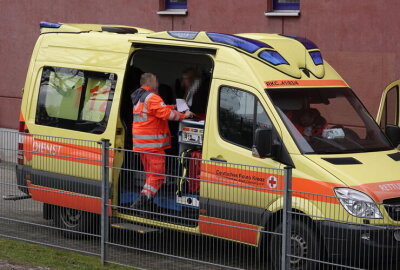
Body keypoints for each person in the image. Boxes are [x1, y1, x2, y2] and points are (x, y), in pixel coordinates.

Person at [130, 73, 194, 209]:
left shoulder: (140, 97)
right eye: (156, 80)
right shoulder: (153, 97)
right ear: (150, 82)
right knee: (157, 177)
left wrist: (173, 107)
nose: (158, 83)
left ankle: (146, 203)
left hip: (142, 145)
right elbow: (166, 114)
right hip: (153, 146)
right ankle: (139, 204)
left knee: (151, 176)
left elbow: (158, 111)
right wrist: (184, 115)